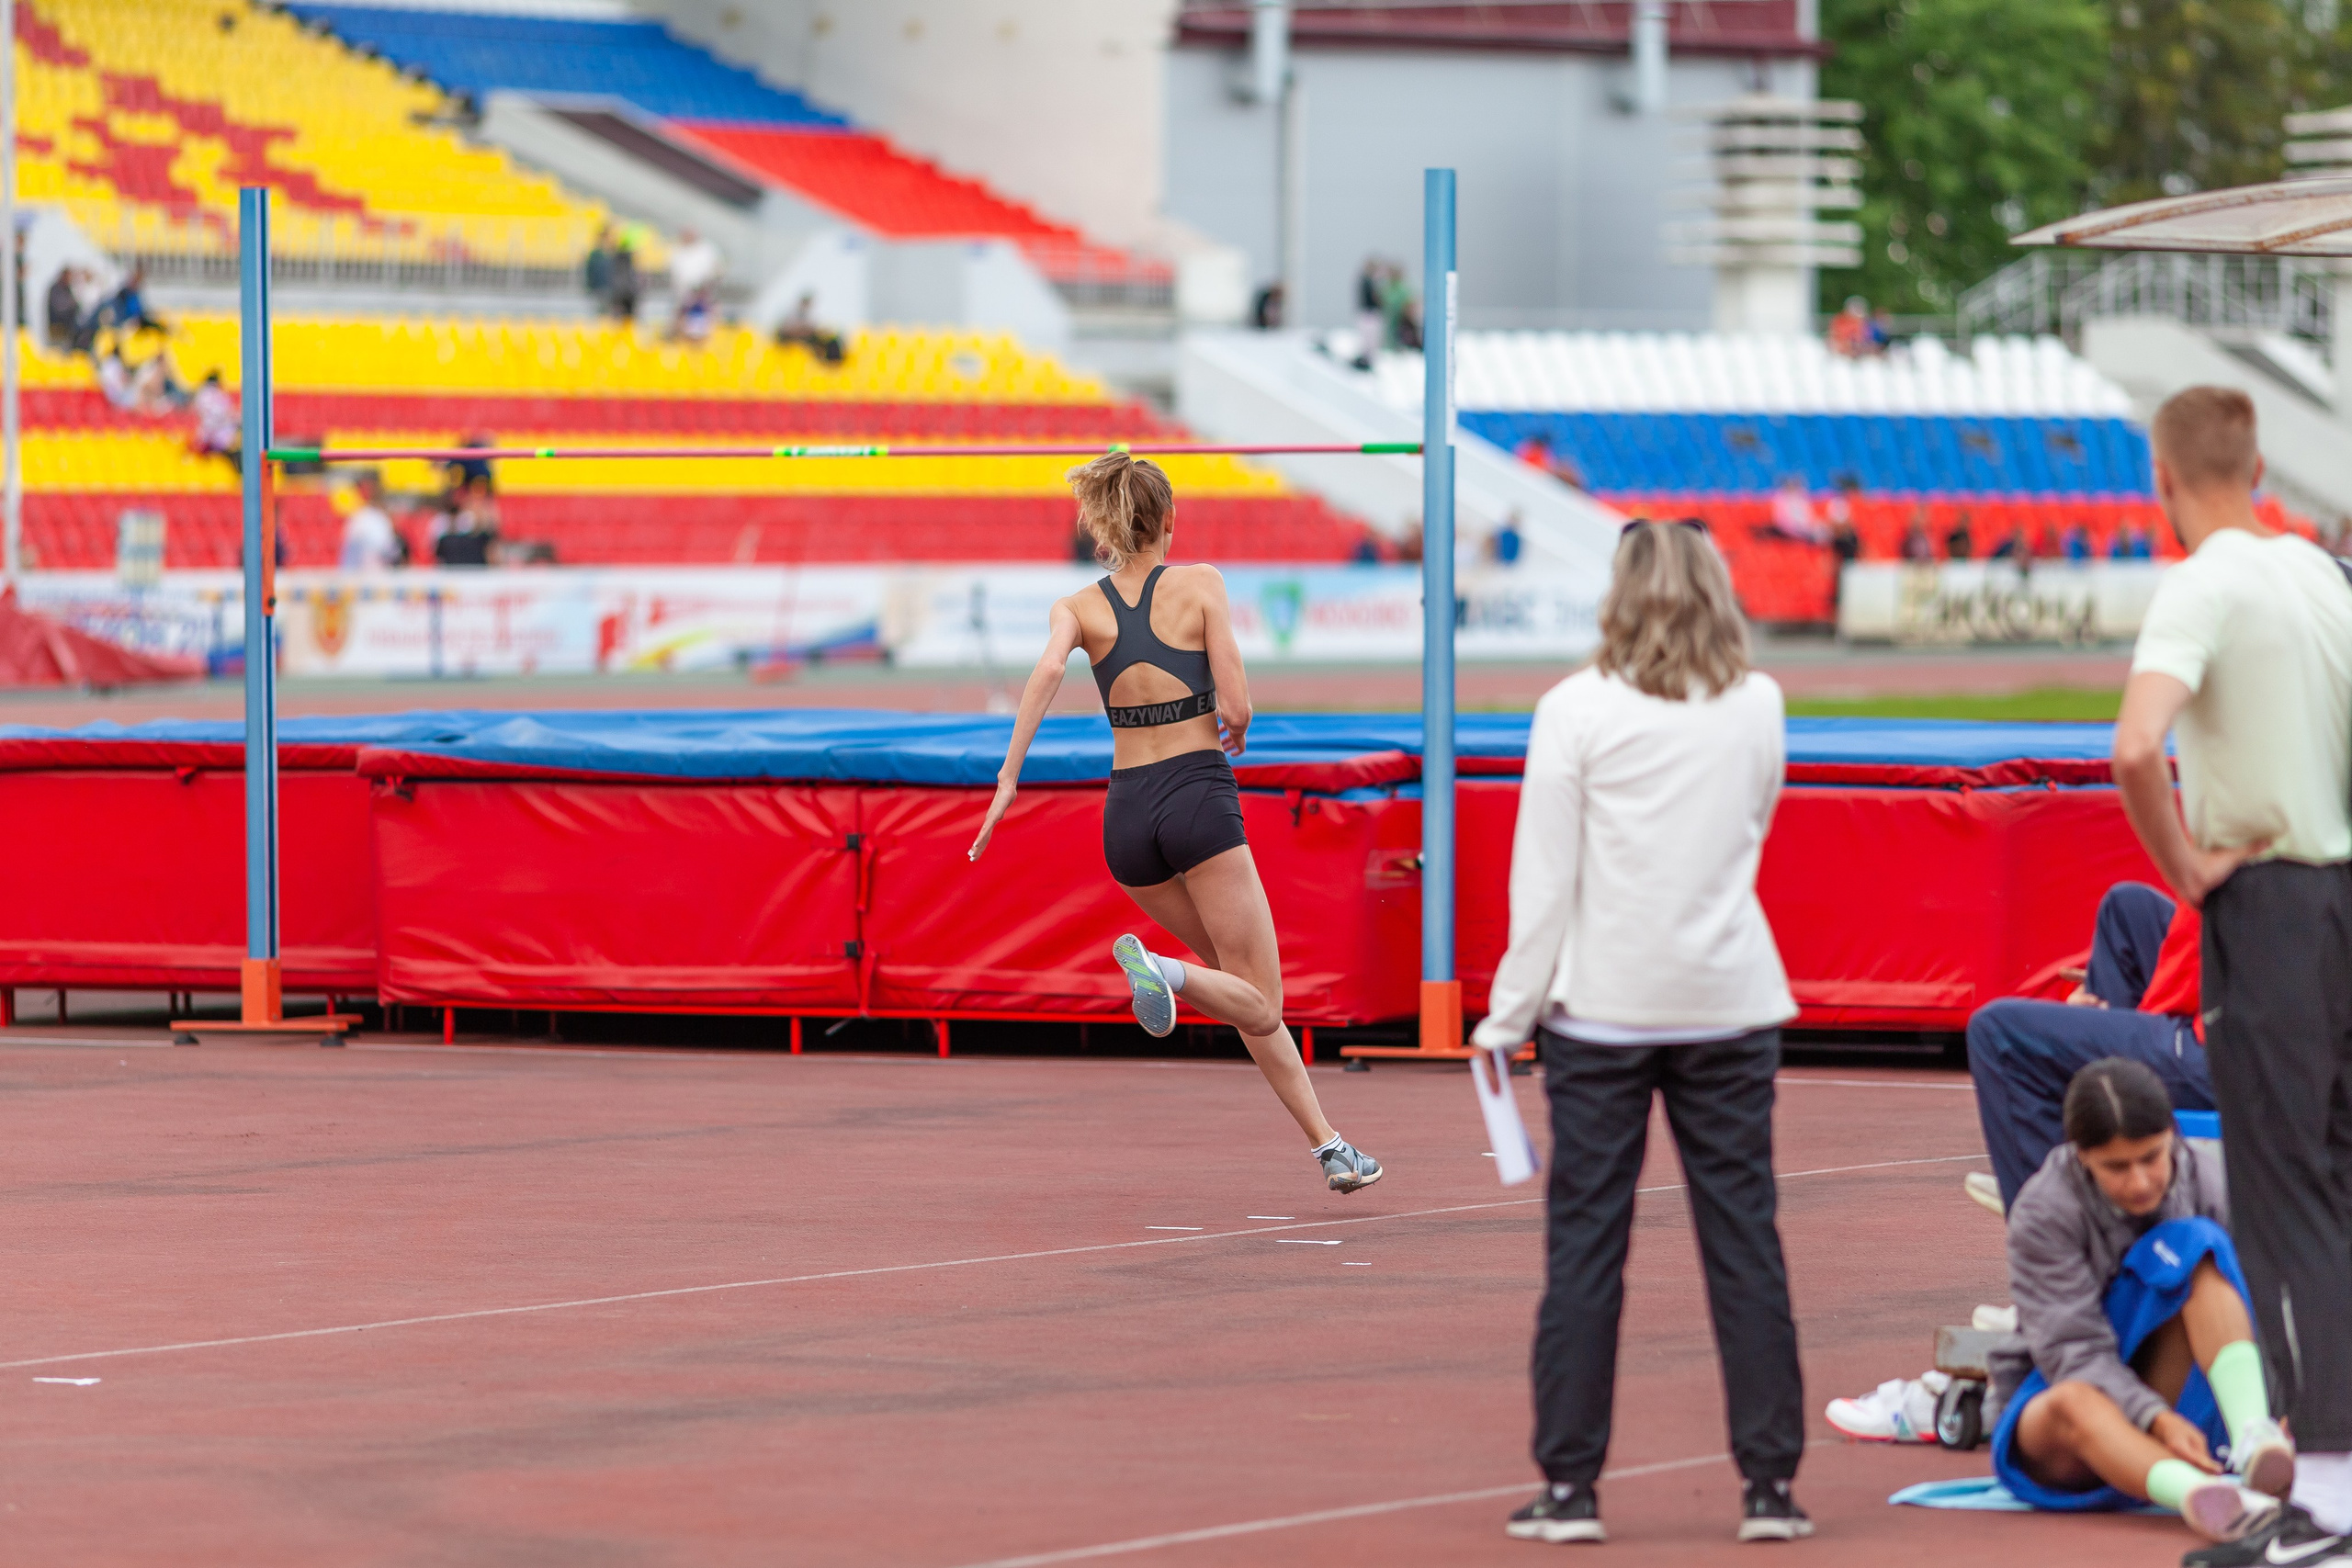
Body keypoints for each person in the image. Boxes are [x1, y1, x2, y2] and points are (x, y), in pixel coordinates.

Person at [1477, 521, 1811, 1546]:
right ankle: (1769, 1487)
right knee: (1743, 1239)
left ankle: (1569, 1488)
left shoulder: (1571, 710)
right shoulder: (1757, 704)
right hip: (1727, 997)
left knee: (1585, 1246)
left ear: (1617, 594)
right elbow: (1751, 829)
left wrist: (1507, 1011)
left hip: (1604, 1010)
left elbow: (1545, 879)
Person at [967, 452, 1384, 1195]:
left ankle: (1331, 1147)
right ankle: (1162, 970)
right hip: (1196, 798)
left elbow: (1045, 674)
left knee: (1242, 994)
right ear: (1168, 521)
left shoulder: (1078, 606)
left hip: (1126, 818)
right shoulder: (1202, 584)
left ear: (1106, 524)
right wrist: (1238, 723)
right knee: (1263, 998)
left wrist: (1007, 779)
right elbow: (1239, 704)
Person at [2110, 385, 2352, 1561]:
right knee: (2343, 1190)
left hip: (2264, 904)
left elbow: (2132, 744)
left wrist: (2190, 869)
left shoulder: (2201, 580)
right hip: (2345, 894)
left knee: (2283, 1198)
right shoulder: (2315, 573)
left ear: (2163, 480)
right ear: (2257, 460)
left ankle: (2323, 1509)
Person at [1987, 1059, 2294, 1545]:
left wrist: (2294, 1403)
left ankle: (2256, 1436)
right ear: (2081, 1155)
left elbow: (2270, 1298)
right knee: (2073, 1400)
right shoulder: (2043, 1213)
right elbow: (2074, 1354)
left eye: (2152, 1157)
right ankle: (2203, 1496)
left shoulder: (2210, 1176)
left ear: (2172, 1136)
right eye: (2116, 1167)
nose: (2140, 1182)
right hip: (2067, 1416)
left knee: (2201, 1245)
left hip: (2173, 1390)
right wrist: (2155, 1416)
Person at [1965, 882, 2211, 1213]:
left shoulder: (2242, 853)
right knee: (2127, 907)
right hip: (2223, 1002)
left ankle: (2050, 1214)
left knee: (1996, 1032)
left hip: (2227, 1046)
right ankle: (2090, 1169)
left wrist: (2106, 1028)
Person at [338, 473, 401, 571]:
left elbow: (390, 550)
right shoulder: (361, 517)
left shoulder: (380, 518)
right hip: (362, 575)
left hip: (376, 575)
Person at [189, 370, 239, 472]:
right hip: (215, 436)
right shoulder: (213, 395)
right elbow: (220, 415)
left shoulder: (202, 394)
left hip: (209, 435)